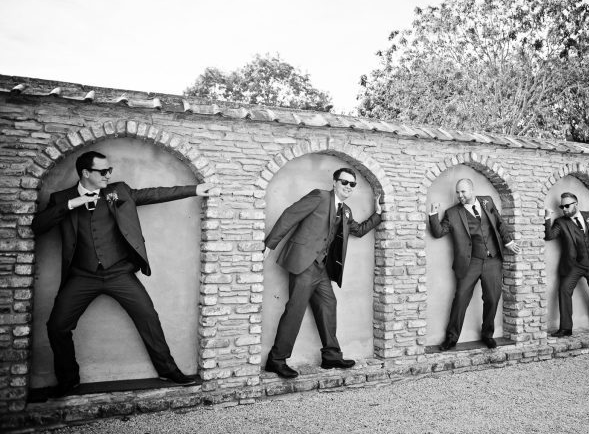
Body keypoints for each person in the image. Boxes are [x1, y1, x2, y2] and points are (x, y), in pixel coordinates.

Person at [31, 150, 221, 397]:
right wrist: (70, 205)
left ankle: (168, 370)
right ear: (85, 173)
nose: (108, 175)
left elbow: (153, 194)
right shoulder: (62, 198)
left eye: (109, 170)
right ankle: (69, 381)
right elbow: (39, 225)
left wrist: (195, 190)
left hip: (120, 272)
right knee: (57, 326)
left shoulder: (117, 191)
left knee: (148, 318)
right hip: (81, 275)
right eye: (103, 171)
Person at [263, 168, 382, 379]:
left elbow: (359, 230)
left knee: (328, 304)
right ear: (335, 182)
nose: (348, 187)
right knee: (295, 309)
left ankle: (331, 355)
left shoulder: (345, 211)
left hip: (321, 268)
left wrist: (378, 215)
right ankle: (277, 359)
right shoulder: (319, 196)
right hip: (303, 262)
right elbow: (291, 215)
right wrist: (270, 243)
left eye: (352, 184)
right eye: (344, 182)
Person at [428, 178, 519, 350]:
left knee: (492, 299)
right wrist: (433, 215)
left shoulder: (487, 201)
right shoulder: (453, 213)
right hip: (470, 263)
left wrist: (508, 241)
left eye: (463, 192)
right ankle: (451, 338)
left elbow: (499, 223)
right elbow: (438, 232)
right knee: (461, 299)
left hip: (493, 260)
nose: (460, 196)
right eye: (457, 192)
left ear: (472, 190)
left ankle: (487, 334)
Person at [544, 192, 589, 337]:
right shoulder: (561, 222)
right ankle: (566, 328)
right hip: (573, 266)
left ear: (576, 204)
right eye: (562, 207)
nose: (564, 209)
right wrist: (547, 217)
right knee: (564, 291)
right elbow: (549, 236)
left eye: (567, 206)